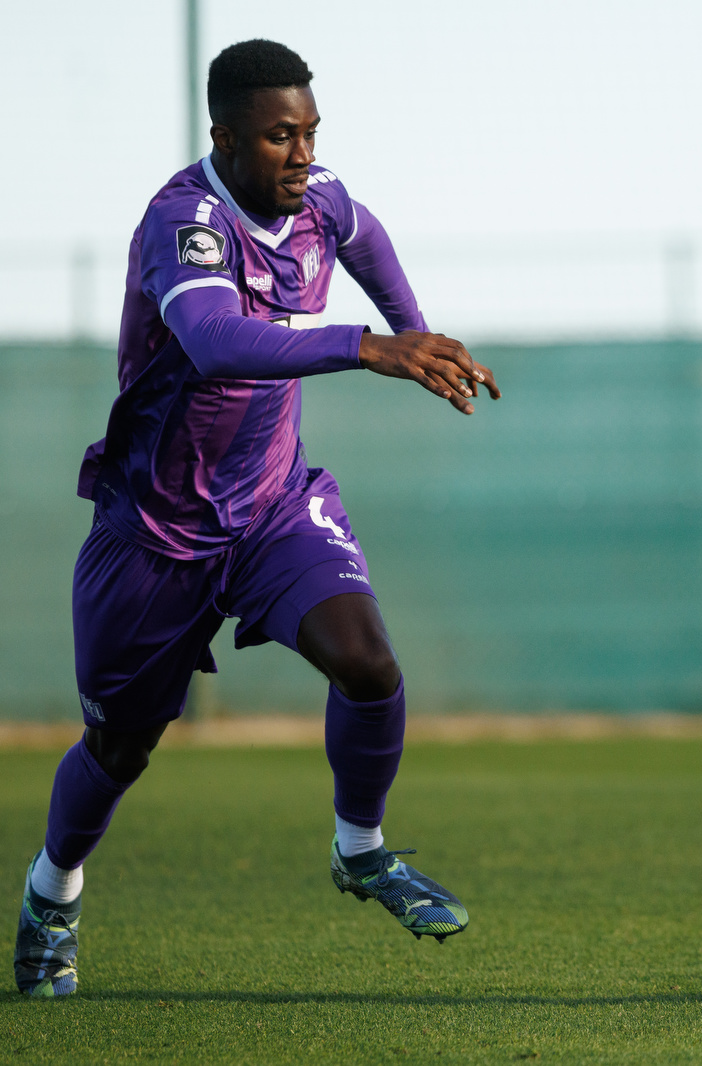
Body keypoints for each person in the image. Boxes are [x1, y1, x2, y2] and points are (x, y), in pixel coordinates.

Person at [14, 39, 500, 998]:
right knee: (120, 749)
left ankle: (360, 849)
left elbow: (365, 236)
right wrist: (365, 346)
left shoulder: (318, 202)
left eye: (311, 132)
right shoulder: (183, 223)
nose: (303, 154)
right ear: (226, 139)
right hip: (155, 534)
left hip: (274, 505)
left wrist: (412, 333)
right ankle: (49, 898)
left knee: (368, 664)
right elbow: (210, 338)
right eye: (281, 137)